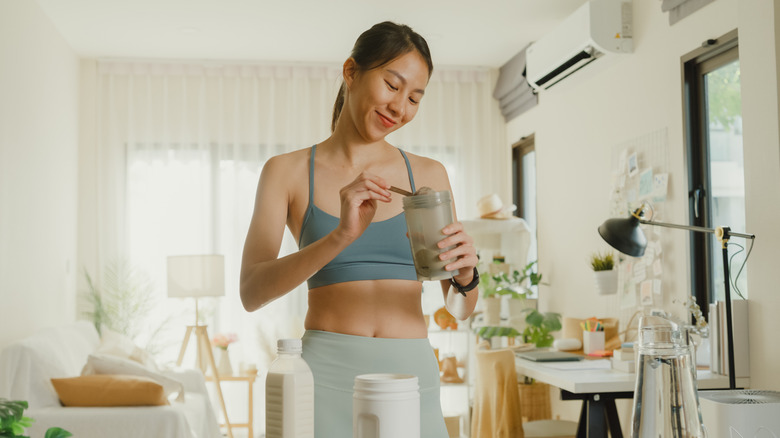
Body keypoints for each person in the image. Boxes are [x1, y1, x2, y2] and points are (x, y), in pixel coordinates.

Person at [240, 21, 479, 437]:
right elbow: (251, 292)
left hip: (412, 375)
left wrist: (465, 276)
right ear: (351, 72)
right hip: (325, 375)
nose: (399, 106)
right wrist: (340, 237)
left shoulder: (428, 176)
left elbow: (456, 310)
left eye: (414, 98)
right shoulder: (287, 172)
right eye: (392, 85)